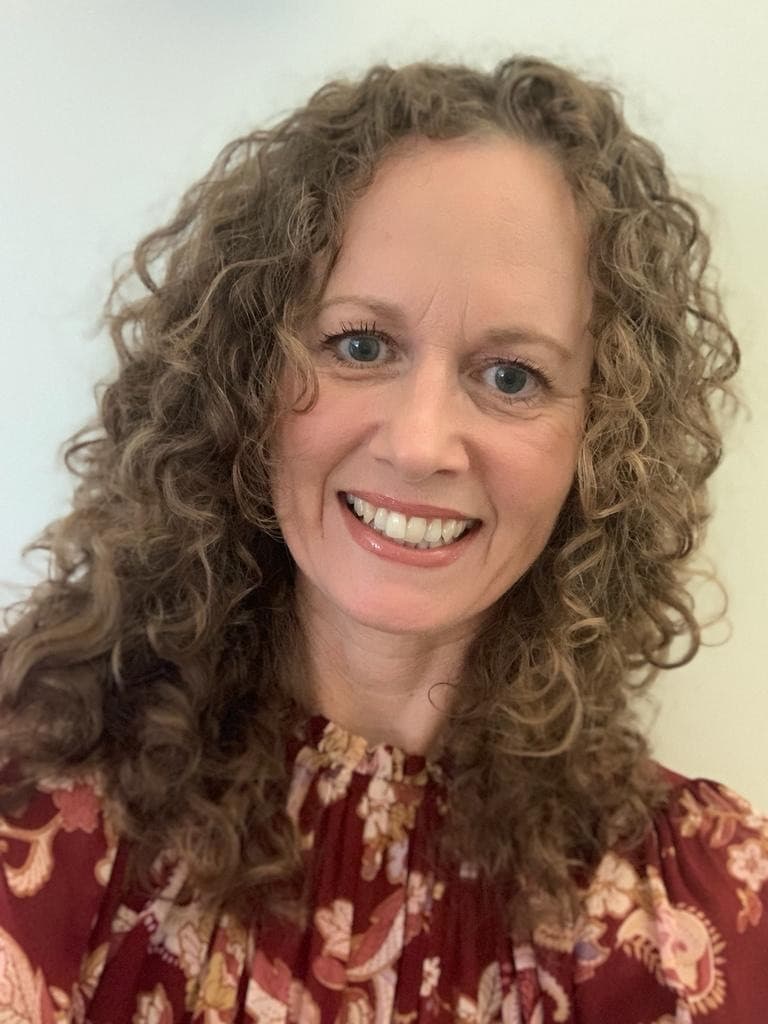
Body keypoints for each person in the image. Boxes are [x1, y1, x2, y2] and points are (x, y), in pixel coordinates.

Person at [0, 54, 765, 1023]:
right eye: (360, 345)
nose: (418, 443)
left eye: (512, 375)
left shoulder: (703, 916)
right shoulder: (36, 793)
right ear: (247, 378)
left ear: (604, 439)